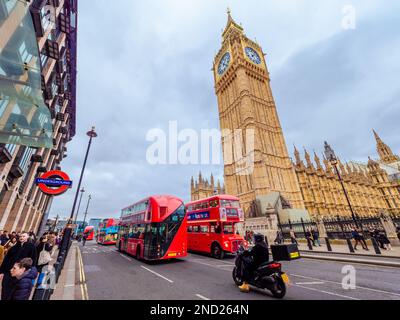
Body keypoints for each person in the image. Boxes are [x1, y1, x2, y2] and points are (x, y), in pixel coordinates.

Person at [0, 232, 37, 300]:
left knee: (16, 292)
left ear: (27, 237)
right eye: (20, 236)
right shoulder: (14, 247)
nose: (21, 237)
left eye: (23, 236)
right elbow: (6, 260)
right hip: (9, 273)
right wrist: (2, 272)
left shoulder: (31, 247)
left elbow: (33, 260)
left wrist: (29, 272)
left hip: (20, 273)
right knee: (5, 290)